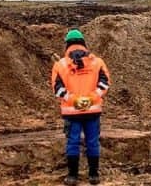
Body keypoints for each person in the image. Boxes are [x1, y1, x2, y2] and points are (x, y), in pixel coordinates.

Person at [51, 28, 110, 185]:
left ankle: (72, 176)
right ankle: (93, 175)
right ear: (83, 43)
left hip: (72, 112)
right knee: (92, 141)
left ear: (67, 45)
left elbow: (58, 89)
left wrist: (74, 100)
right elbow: (104, 84)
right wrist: (92, 98)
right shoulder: (97, 62)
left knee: (73, 142)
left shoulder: (60, 65)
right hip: (93, 111)